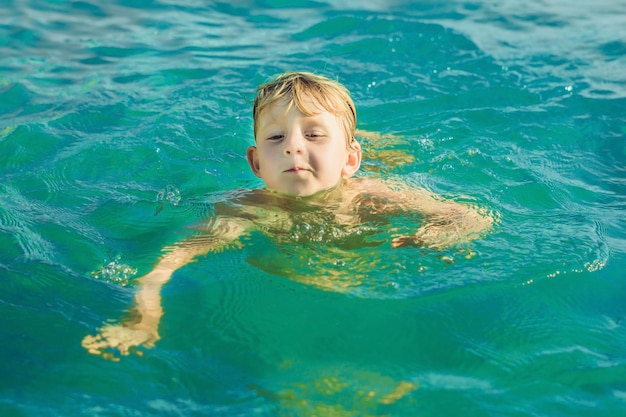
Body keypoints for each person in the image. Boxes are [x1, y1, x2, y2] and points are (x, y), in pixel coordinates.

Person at [82, 71, 493, 360]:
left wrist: (428, 237)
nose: (294, 147)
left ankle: (375, 144)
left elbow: (472, 217)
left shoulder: (375, 196)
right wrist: (145, 311)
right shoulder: (246, 209)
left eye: (313, 135)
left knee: (391, 159)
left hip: (362, 178)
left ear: (350, 161)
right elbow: (165, 265)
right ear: (257, 163)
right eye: (277, 138)